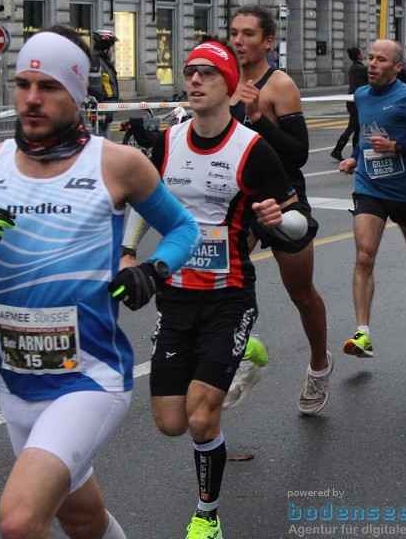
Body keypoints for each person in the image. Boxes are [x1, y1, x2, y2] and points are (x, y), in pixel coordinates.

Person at [0, 26, 200, 539]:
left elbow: (182, 228)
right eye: (24, 83)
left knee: (20, 519)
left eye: (49, 86)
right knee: (80, 519)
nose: (32, 98)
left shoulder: (117, 164)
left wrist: (152, 271)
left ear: (76, 94)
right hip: (16, 381)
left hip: (90, 378)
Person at [121, 40, 310, 539]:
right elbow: (143, 202)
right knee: (170, 421)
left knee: (203, 418)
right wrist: (127, 255)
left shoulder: (252, 149)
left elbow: (302, 223)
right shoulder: (168, 142)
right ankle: (242, 355)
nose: (195, 80)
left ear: (229, 84)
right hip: (176, 294)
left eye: (207, 72)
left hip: (228, 294)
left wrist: (280, 218)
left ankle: (207, 515)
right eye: (189, 72)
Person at [227, 5, 333, 415]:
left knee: (302, 294)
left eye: (249, 34)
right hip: (242, 202)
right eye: (235, 33)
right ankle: (241, 358)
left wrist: (259, 119)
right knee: (225, 285)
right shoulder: (226, 83)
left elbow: (300, 153)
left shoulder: (280, 85)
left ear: (267, 42)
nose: (239, 41)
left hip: (283, 199)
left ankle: (320, 364)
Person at [337, 38, 406, 358]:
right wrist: (355, 158)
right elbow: (363, 135)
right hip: (369, 187)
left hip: (404, 190)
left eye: (380, 60)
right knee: (364, 256)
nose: (372, 64)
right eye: (370, 57)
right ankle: (363, 334)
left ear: (397, 67)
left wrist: (397, 147)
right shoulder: (361, 95)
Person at [331, 45, 368, 161]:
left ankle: (354, 153)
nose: (363, 53)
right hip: (355, 102)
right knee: (352, 127)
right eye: (362, 52)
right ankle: (337, 150)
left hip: (354, 101)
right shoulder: (360, 68)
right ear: (358, 55)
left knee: (357, 127)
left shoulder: (355, 67)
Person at [87, 29, 120, 138]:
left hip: (106, 108)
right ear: (105, 47)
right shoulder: (96, 61)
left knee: (105, 142)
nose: (114, 50)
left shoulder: (104, 60)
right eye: (112, 46)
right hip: (101, 108)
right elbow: (94, 87)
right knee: (101, 142)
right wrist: (100, 111)